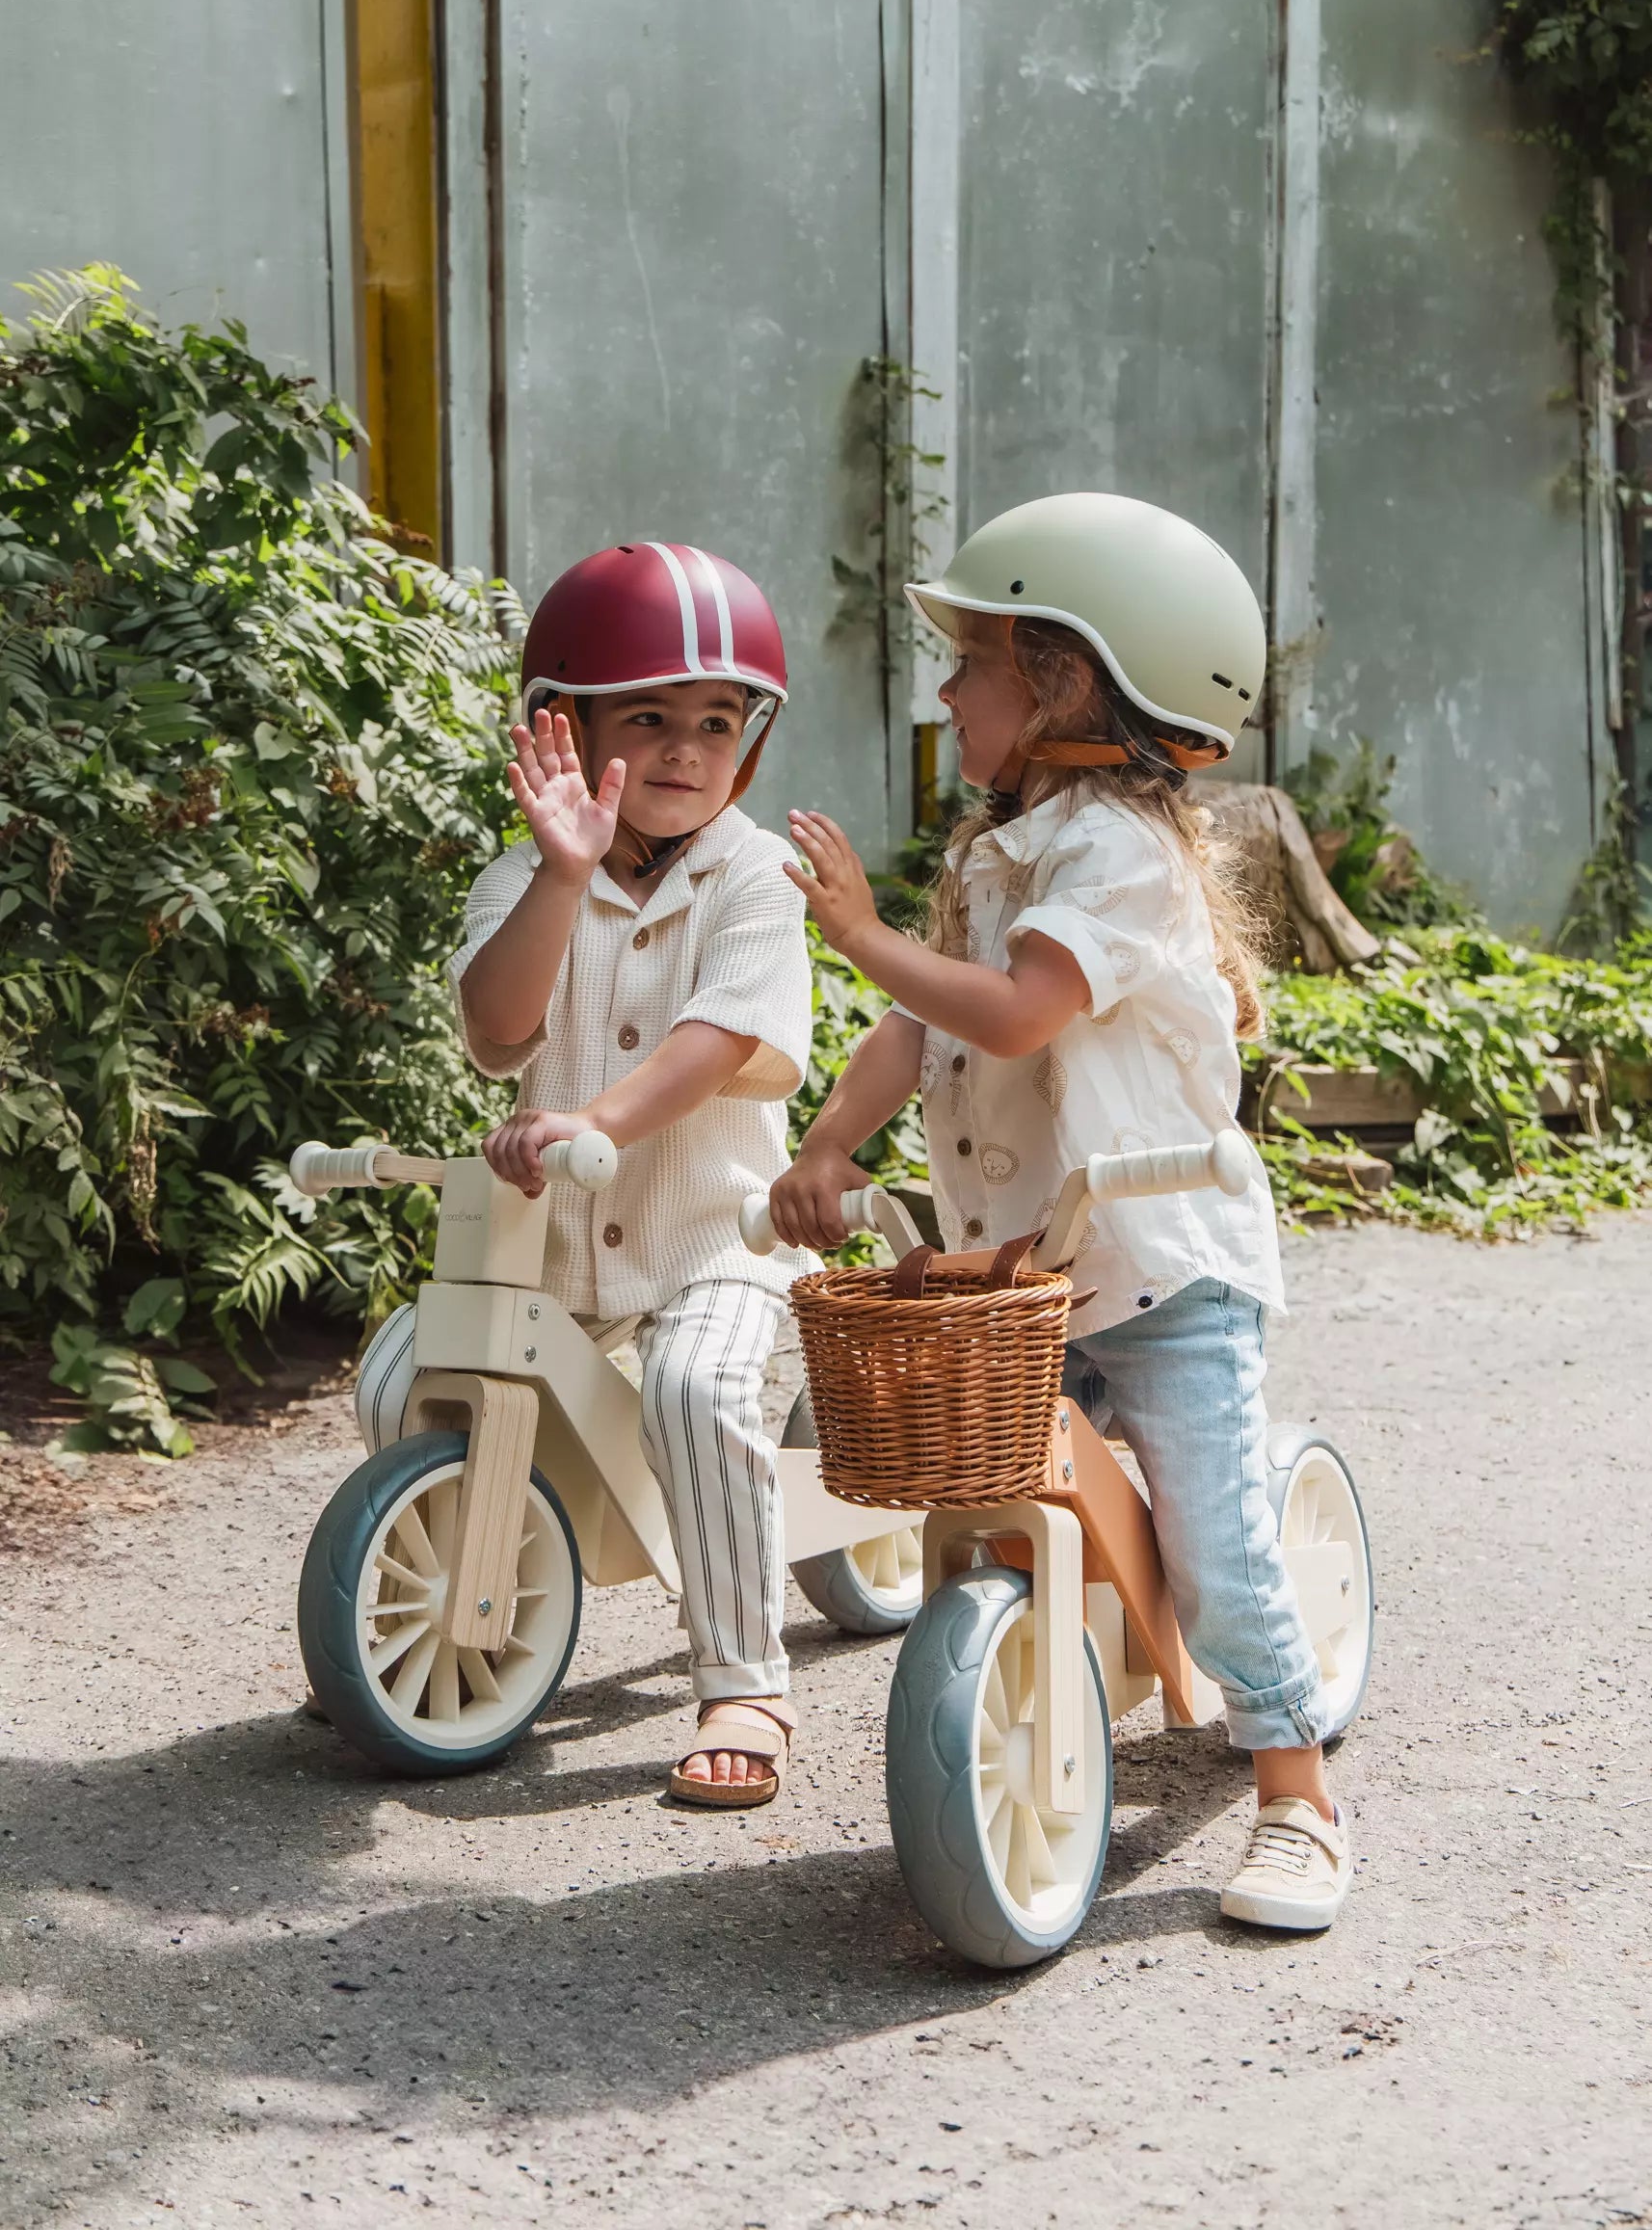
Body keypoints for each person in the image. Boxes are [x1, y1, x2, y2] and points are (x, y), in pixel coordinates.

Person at [769, 492, 1353, 1930]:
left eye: (972, 661)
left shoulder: (1117, 853)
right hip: (1024, 1267)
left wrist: (859, 934)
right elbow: (920, 1028)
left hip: (1158, 1269)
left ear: (1065, 684)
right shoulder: (997, 851)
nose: (947, 688)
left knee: (1214, 1545)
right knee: (996, 1501)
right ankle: (1055, 1687)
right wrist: (832, 1145)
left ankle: (1293, 1795)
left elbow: (1023, 1015)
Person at [360, 542, 813, 1808]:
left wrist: (592, 1117)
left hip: (711, 1246)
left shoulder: (757, 877)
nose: (684, 749)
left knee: (692, 1384)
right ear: (567, 728)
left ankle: (740, 1679)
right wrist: (563, 872)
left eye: (715, 722)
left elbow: (723, 1038)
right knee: (404, 1373)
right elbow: (498, 1033)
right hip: (549, 1258)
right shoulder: (524, 872)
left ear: (750, 742)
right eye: (649, 718)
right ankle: (451, 1604)